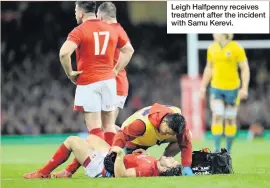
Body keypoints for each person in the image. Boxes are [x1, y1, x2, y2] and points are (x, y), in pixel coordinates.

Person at [53, 2, 134, 178]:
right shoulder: (112, 28)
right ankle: (112, 162)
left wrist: (70, 73)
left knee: (97, 131)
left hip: (99, 80)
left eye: (76, 10)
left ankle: (107, 165)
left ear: (82, 12)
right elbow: (128, 50)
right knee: (109, 128)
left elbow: (63, 53)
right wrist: (115, 71)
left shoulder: (86, 30)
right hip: (112, 82)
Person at [23, 135, 182, 179]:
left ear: (167, 169)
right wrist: (140, 154)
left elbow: (122, 175)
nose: (172, 158)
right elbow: (133, 164)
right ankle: (68, 172)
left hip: (102, 169)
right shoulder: (152, 162)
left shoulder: (149, 170)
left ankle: (43, 173)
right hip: (110, 159)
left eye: (172, 161)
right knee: (92, 138)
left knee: (72, 141)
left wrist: (120, 155)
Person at [112, 103, 194, 176]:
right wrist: (114, 153)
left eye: (171, 134)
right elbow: (122, 135)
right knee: (129, 164)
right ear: (164, 121)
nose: (167, 135)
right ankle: (112, 128)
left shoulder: (179, 122)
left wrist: (186, 166)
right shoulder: (141, 124)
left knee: (186, 136)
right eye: (167, 132)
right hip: (134, 139)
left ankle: (164, 164)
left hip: (152, 136)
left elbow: (186, 143)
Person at [200, 34, 250, 153]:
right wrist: (202, 86)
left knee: (230, 118)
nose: (213, 34)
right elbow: (209, 68)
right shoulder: (212, 48)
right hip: (216, 88)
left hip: (232, 89)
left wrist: (244, 88)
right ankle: (216, 148)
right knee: (217, 115)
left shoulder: (236, 48)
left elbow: (244, 68)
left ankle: (228, 150)